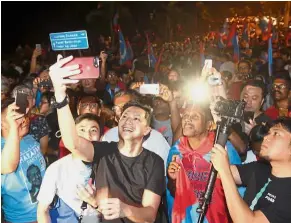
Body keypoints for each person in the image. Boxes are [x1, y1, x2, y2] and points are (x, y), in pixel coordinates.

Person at [48, 55, 165, 223]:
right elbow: (72, 143)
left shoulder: (154, 162)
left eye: (136, 118)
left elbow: (150, 215)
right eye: (124, 116)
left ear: (147, 129)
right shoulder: (103, 151)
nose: (128, 121)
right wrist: (60, 96)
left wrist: (125, 209)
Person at [166, 104, 242, 223]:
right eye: (185, 115)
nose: (188, 119)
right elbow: (171, 192)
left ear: (209, 125)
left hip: (216, 218)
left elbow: (239, 191)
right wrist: (172, 179)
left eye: (195, 117)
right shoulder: (177, 150)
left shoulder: (223, 150)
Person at [211, 118, 291, 223]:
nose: (266, 137)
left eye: (276, 134)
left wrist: (224, 170)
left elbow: (247, 221)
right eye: (268, 133)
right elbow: (216, 173)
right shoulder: (260, 169)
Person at [37, 114, 102, 223]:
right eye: (82, 130)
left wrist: (94, 202)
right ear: (72, 137)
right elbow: (42, 210)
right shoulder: (57, 168)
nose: (88, 135)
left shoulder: (110, 166)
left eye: (93, 130)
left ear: (101, 138)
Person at [1, 98, 46, 223]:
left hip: (45, 211)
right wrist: (15, 128)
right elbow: (8, 167)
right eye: (15, 117)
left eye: (24, 115)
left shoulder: (29, 139)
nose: (24, 120)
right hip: (23, 219)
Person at [103, 89, 171, 170]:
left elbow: (164, 174)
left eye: (125, 106)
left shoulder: (156, 139)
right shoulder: (109, 137)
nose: (122, 112)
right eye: (117, 108)